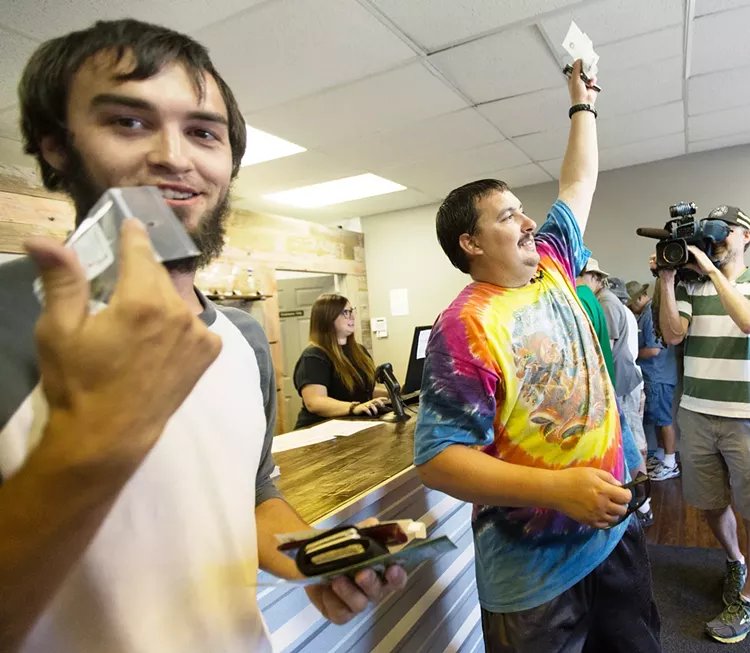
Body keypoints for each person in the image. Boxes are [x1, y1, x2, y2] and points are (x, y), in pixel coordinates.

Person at [0, 19, 404, 652]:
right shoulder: (6, 318)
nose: (174, 155)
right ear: (56, 144)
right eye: (127, 122)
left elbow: (253, 495)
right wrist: (82, 456)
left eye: (202, 132)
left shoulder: (242, 338)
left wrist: (309, 559)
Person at [414, 60, 661, 653]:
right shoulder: (464, 325)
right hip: (534, 573)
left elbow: (578, 184)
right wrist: (557, 491)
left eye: (522, 211)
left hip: (613, 529)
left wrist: (583, 105)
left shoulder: (552, 264)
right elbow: (440, 460)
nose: (528, 222)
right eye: (507, 217)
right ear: (471, 245)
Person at [654, 204, 750, 644]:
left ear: (746, 235)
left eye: (727, 230)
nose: (719, 236)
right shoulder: (692, 284)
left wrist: (711, 269)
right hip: (695, 411)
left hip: (747, 415)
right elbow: (673, 334)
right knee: (710, 504)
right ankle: (735, 561)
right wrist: (669, 280)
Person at [599, 276, 655, 527]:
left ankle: (644, 504)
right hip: (629, 379)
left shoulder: (610, 306)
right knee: (633, 435)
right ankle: (641, 499)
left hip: (624, 382)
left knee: (633, 437)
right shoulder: (624, 310)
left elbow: (607, 350)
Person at [293, 293, 390, 428]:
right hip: (320, 432)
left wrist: (397, 393)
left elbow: (365, 391)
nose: (352, 316)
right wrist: (353, 407)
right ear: (327, 317)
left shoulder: (359, 351)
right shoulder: (313, 356)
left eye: (352, 311)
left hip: (354, 427)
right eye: (345, 312)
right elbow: (315, 402)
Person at [637, 279, 680, 481]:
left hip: (658, 375)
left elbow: (653, 350)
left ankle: (671, 463)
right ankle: (663, 456)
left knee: (664, 419)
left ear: (639, 298)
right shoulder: (653, 312)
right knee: (657, 418)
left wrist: (631, 353)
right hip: (659, 374)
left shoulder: (650, 316)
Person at [576, 258, 616, 386]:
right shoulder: (589, 297)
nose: (599, 284)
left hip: (594, 384)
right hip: (603, 382)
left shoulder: (579, 297)